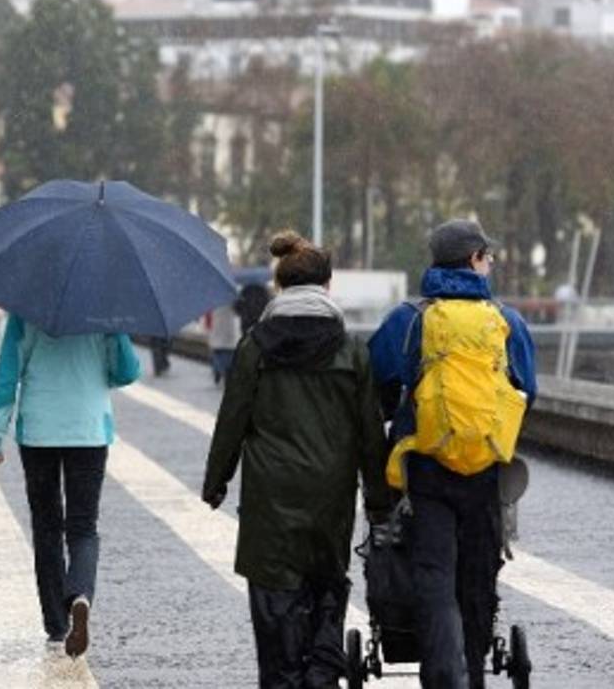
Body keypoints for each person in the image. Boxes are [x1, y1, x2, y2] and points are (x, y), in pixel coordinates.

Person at [202, 231, 393, 689]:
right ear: (327, 286)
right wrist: (379, 501)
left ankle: (283, 677)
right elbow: (370, 432)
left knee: (274, 594)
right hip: (331, 495)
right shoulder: (351, 350)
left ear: (279, 286)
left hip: (270, 497)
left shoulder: (255, 347)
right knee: (327, 582)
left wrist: (216, 481)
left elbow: (233, 420)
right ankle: (322, 671)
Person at [368, 219, 536, 689]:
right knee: (478, 574)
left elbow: (376, 383)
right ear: (474, 259)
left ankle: (444, 676)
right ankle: (474, 674)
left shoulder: (408, 319)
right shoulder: (506, 321)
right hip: (485, 469)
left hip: (426, 468)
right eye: (488, 256)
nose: (491, 263)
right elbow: (527, 390)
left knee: (434, 572)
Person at [0, 314, 142, 659]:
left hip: (39, 432)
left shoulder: (26, 312)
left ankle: (56, 625)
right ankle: (80, 594)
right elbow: (127, 372)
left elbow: (6, 377)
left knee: (46, 528)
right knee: (83, 527)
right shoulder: (103, 311)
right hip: (89, 429)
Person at [206, 303, 240, 385]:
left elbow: (208, 319)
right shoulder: (231, 302)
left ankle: (219, 371)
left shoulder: (212, 302)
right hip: (227, 331)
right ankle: (224, 372)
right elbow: (237, 311)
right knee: (227, 354)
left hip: (218, 331)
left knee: (218, 353)